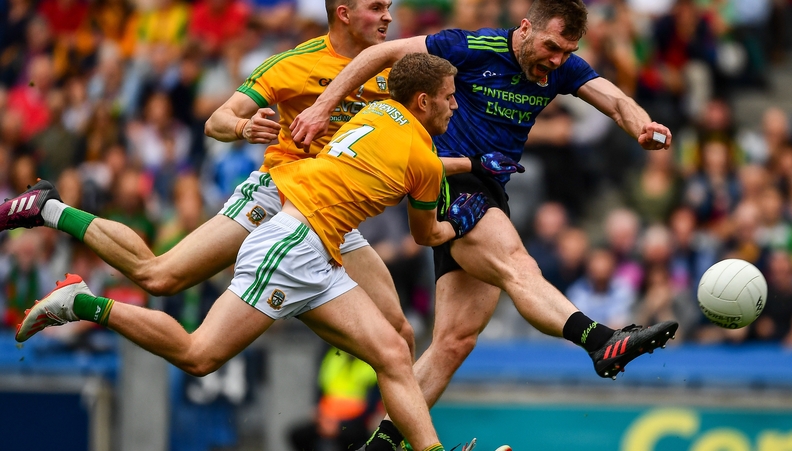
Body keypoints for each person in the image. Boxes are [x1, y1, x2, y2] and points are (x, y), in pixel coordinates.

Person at [16, 53, 499, 451]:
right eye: (450, 97)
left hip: (319, 243)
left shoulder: (378, 113)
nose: (455, 105)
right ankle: (82, 302)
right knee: (197, 351)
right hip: (291, 244)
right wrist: (463, 216)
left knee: (394, 348)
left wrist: (470, 164)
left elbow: (416, 161)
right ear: (422, 101)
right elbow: (427, 233)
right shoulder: (415, 154)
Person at [290, 1, 679, 449]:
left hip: (490, 186)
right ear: (525, 28)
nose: (557, 60)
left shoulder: (562, 69)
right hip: (450, 179)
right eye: (551, 47)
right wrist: (323, 107)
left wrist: (642, 126)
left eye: (567, 51)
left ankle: (381, 446)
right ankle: (600, 340)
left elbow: (616, 100)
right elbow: (379, 54)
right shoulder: (471, 47)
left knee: (454, 341)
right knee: (518, 266)